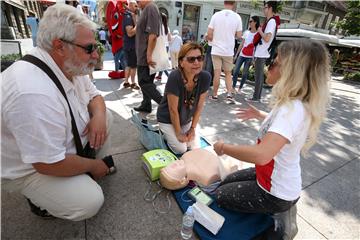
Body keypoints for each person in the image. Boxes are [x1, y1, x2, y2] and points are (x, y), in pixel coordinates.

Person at [1, 4, 114, 221]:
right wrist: (94, 165)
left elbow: (96, 97)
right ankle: (41, 201)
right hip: (30, 168)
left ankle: (82, 171)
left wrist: (98, 117)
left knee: (106, 116)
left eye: (96, 46)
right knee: (89, 201)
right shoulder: (32, 93)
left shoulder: (68, 62)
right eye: (90, 48)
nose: (96, 55)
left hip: (54, 150)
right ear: (59, 46)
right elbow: (47, 163)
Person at [213, 39, 331, 239]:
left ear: (290, 72)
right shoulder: (295, 104)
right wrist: (259, 115)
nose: (269, 66)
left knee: (220, 196)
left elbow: (261, 155)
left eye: (274, 62)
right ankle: (281, 208)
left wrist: (224, 147)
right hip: (272, 178)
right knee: (224, 182)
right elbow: (283, 130)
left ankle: (278, 218)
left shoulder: (291, 110)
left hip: (275, 192)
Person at [157, 42, 211, 154]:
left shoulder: (205, 77)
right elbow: (172, 110)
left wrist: (193, 128)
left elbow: (199, 106)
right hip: (167, 119)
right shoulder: (175, 77)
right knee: (181, 148)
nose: (196, 62)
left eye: (199, 58)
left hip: (186, 119)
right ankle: (162, 134)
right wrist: (178, 133)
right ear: (181, 62)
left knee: (195, 148)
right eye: (191, 59)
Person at [207, 1, 242, 104]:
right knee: (228, 74)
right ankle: (229, 95)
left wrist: (213, 39)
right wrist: (231, 34)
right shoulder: (237, 17)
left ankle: (214, 95)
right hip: (228, 50)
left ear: (224, 2)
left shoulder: (216, 15)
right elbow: (239, 36)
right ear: (234, 3)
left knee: (217, 72)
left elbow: (209, 33)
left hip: (216, 49)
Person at [134, 0, 162, 113]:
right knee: (147, 82)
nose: (137, 1)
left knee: (143, 82)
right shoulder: (146, 9)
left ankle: (166, 104)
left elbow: (153, 35)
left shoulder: (151, 8)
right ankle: (146, 104)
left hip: (146, 55)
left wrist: (148, 55)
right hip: (144, 54)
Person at [250, 1, 279, 102]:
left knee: (258, 76)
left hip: (262, 53)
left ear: (270, 8)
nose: (264, 9)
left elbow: (267, 38)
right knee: (258, 75)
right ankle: (256, 96)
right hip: (261, 52)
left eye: (265, 7)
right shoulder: (270, 21)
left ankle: (256, 97)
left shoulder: (271, 22)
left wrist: (259, 31)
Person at [232, 16, 259, 93]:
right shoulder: (246, 32)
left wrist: (254, 58)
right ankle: (233, 87)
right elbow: (242, 44)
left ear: (255, 22)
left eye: (251, 21)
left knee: (244, 74)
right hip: (242, 55)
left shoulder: (257, 34)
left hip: (250, 57)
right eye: (249, 21)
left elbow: (256, 47)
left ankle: (240, 88)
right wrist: (236, 55)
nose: (249, 23)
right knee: (236, 71)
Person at [122, 0, 140, 90]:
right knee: (133, 66)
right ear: (131, 6)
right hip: (131, 46)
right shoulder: (128, 17)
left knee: (129, 65)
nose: (137, 7)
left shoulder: (130, 16)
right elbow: (130, 33)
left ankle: (126, 82)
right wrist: (137, 24)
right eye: (136, 6)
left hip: (129, 45)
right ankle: (133, 83)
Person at [155, 13, 171, 81]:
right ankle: (159, 76)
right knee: (162, 63)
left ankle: (170, 77)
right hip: (166, 46)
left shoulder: (158, 26)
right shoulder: (167, 27)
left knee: (161, 64)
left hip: (160, 46)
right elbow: (170, 39)